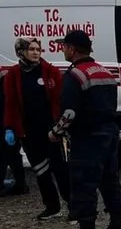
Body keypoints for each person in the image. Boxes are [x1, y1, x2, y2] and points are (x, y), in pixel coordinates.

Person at [48, 30, 121, 229]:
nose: (63, 50)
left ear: (72, 49)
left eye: (64, 46)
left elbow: (69, 113)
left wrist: (55, 133)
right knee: (110, 181)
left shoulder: (75, 75)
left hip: (87, 138)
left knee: (83, 184)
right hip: (109, 133)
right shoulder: (104, 72)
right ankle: (117, 225)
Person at [3, 38, 71, 219]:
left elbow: (60, 99)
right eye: (31, 49)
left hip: (51, 130)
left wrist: (61, 125)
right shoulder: (13, 75)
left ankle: (74, 206)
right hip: (28, 131)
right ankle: (52, 207)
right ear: (21, 52)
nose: (35, 52)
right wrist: (9, 127)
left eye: (37, 49)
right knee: (41, 170)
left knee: (60, 169)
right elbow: (10, 104)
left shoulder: (50, 71)